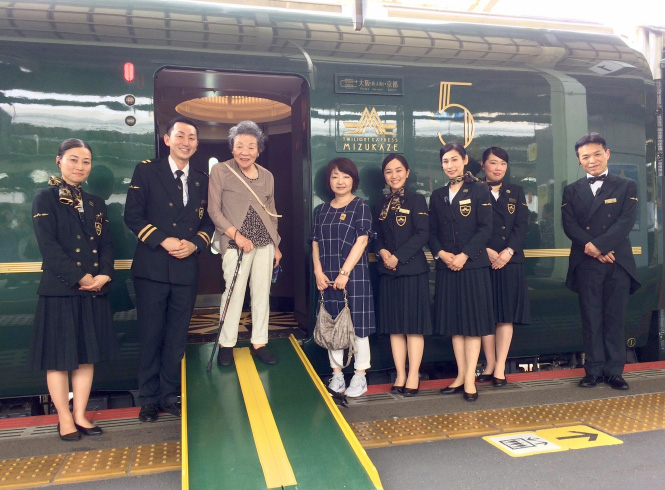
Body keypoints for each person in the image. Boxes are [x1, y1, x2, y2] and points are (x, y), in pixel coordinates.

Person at [124, 116, 214, 422]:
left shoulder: (203, 178)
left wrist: (196, 244)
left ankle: (169, 394)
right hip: (152, 269)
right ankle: (148, 398)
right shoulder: (147, 171)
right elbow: (132, 216)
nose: (185, 142)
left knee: (177, 337)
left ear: (197, 144)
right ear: (167, 140)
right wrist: (163, 241)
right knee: (151, 335)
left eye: (191, 137)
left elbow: (209, 221)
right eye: (180, 136)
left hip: (186, 271)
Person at [29, 138, 116, 440]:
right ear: (59, 161)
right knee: (58, 358)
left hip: (93, 289)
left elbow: (106, 244)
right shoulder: (45, 198)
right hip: (61, 289)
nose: (80, 166)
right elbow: (48, 247)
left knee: (85, 356)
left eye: (86, 161)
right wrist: (80, 277)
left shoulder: (96, 203)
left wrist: (105, 274)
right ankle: (64, 418)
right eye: (74, 159)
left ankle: (80, 414)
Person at [562, 133, 640, 390]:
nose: (592, 160)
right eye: (585, 157)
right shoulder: (571, 190)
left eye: (597, 154)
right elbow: (569, 225)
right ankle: (593, 370)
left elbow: (625, 222)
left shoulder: (626, 185)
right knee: (591, 317)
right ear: (579, 161)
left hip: (617, 262)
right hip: (587, 262)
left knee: (615, 317)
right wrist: (593, 249)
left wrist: (601, 246)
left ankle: (614, 371)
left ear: (607, 154)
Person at [208, 120, 282, 366]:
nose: (245, 152)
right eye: (239, 145)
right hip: (235, 244)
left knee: (262, 294)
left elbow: (271, 212)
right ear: (232, 148)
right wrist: (236, 236)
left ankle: (259, 342)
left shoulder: (268, 176)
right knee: (233, 293)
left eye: (251, 146)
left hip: (265, 243)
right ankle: (226, 344)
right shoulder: (221, 171)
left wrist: (277, 245)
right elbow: (214, 210)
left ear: (258, 150)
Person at [429, 142, 494, 402]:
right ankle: (460, 375)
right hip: (448, 266)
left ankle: (470, 380)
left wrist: (464, 255)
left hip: (473, 266)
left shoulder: (479, 189)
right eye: (445, 161)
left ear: (465, 160)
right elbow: (431, 231)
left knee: (473, 326)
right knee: (456, 326)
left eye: (454, 159)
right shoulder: (437, 195)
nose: (450, 165)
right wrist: (443, 254)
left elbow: (485, 228)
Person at [311, 158, 375, 398]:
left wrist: (345, 272)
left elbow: (362, 241)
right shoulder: (322, 210)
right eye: (335, 176)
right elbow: (315, 242)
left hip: (354, 276)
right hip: (326, 277)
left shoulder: (360, 206)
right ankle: (337, 375)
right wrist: (318, 271)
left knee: (358, 326)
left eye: (345, 176)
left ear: (353, 180)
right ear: (329, 180)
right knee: (331, 324)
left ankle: (360, 376)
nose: (340, 181)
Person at [373, 154, 431, 397]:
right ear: (384, 176)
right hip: (388, 272)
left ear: (407, 173)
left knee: (413, 327)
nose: (394, 175)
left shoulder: (418, 200)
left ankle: (414, 374)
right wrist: (384, 252)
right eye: (388, 171)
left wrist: (399, 256)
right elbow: (374, 235)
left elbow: (422, 234)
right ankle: (400, 374)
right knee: (395, 328)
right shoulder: (379, 204)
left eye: (398, 170)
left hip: (412, 270)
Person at [477, 147, 531, 387]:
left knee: (505, 316)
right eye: (493, 163)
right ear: (483, 165)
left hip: (510, 261)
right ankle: (489, 364)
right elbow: (471, 226)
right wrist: (486, 250)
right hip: (483, 260)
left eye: (502, 164)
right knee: (486, 315)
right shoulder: (475, 189)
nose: (497, 168)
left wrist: (508, 252)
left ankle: (500, 367)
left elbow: (522, 226)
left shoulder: (516, 192)